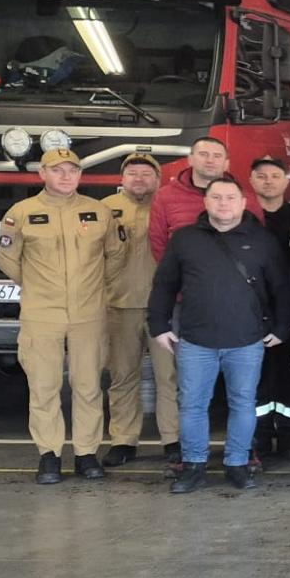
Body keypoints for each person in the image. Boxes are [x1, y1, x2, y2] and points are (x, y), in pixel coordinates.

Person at [151, 179, 289, 493]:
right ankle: (194, 465)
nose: (223, 203)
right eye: (216, 197)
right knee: (192, 406)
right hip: (196, 341)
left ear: (243, 203)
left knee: (243, 404)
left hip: (246, 340)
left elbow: (281, 288)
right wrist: (158, 325)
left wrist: (282, 327)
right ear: (206, 202)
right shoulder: (185, 239)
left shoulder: (263, 241)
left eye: (230, 198)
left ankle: (237, 464)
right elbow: (164, 285)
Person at [0, 149, 128, 484]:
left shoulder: (97, 211)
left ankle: (86, 454)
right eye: (58, 171)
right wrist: (38, 287)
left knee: (87, 386)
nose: (66, 176)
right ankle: (49, 455)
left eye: (73, 170)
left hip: (89, 314)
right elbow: (8, 258)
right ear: (43, 173)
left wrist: (94, 288)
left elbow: (114, 256)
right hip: (42, 315)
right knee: (44, 386)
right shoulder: (22, 213)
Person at [148, 138, 262, 472]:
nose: (210, 160)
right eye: (204, 154)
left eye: (217, 155)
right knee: (192, 395)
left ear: (227, 162)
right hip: (191, 310)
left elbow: (263, 266)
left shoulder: (247, 203)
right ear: (190, 158)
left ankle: (241, 456)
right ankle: (192, 460)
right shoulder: (167, 199)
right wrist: (188, 292)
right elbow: (160, 252)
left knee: (242, 395)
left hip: (242, 315)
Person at [102, 154, 176, 469]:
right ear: (122, 178)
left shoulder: (167, 207)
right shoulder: (103, 209)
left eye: (146, 173)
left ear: (158, 179)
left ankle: (173, 439)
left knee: (169, 377)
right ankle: (122, 440)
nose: (139, 178)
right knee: (122, 376)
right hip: (119, 304)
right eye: (132, 173)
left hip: (164, 307)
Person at [248, 156, 290, 462]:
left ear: (286, 182)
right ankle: (259, 437)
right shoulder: (244, 219)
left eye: (275, 175)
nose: (268, 181)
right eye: (262, 176)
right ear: (251, 181)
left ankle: (287, 436)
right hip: (252, 311)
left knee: (289, 378)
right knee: (254, 379)